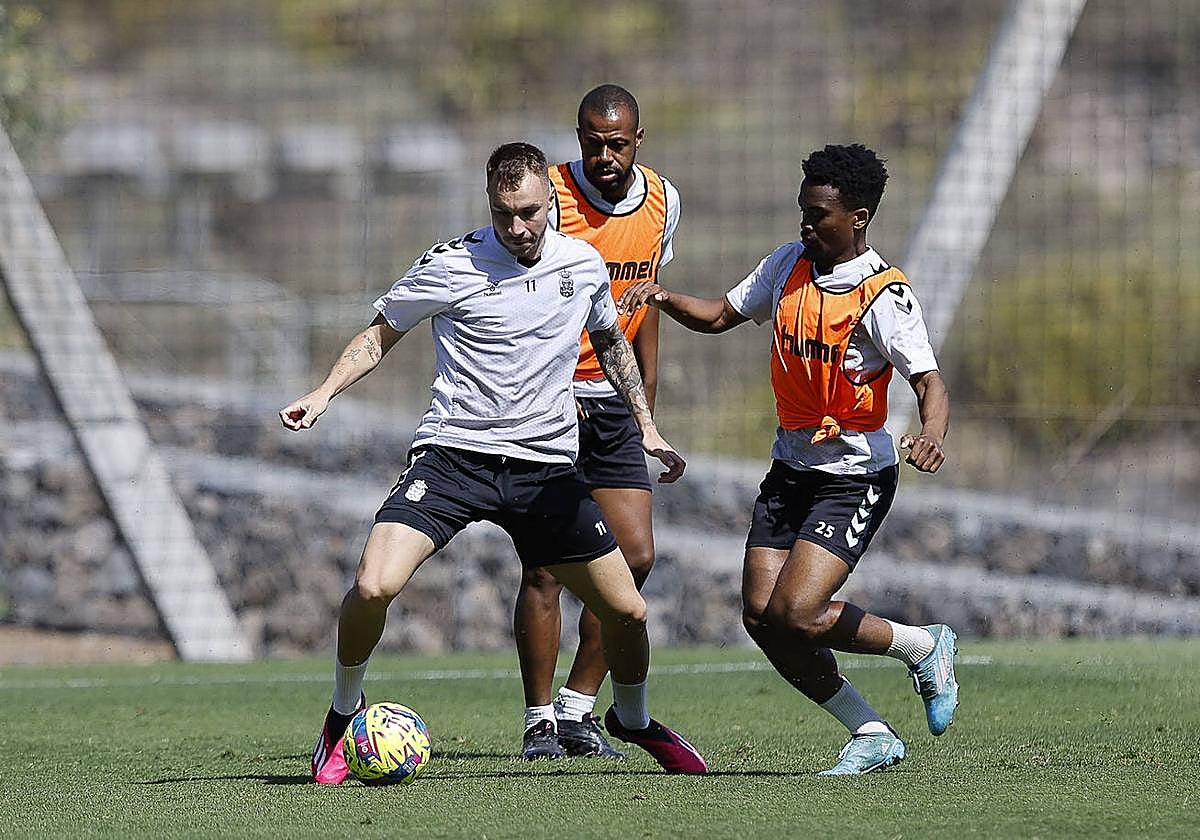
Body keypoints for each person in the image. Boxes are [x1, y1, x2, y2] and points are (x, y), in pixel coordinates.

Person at [280, 141, 707, 782]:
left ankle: (634, 718)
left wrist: (647, 428)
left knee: (629, 611)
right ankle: (342, 715)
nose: (517, 228)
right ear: (490, 204)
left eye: (530, 212)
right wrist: (323, 393)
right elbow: (379, 334)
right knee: (372, 585)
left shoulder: (584, 265)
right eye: (505, 214)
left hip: (546, 471)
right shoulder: (450, 263)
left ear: (550, 203)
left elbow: (611, 342)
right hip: (454, 459)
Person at [619, 143, 957, 775]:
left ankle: (921, 645)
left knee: (796, 612)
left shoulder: (886, 296)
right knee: (762, 618)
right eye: (802, 211)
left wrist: (931, 434)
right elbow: (721, 314)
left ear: (858, 217)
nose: (805, 224)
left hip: (854, 476)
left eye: (819, 214)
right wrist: (660, 297)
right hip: (790, 469)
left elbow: (929, 382)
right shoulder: (787, 265)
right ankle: (871, 731)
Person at [513, 84, 683, 761]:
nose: (604, 154)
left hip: (615, 403)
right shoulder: (548, 196)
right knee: (546, 572)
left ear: (638, 139)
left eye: (616, 142)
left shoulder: (665, 201)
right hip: (548, 403)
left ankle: (579, 706)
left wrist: (648, 410)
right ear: (577, 136)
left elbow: (647, 308)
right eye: (592, 141)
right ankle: (538, 724)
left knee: (634, 555)